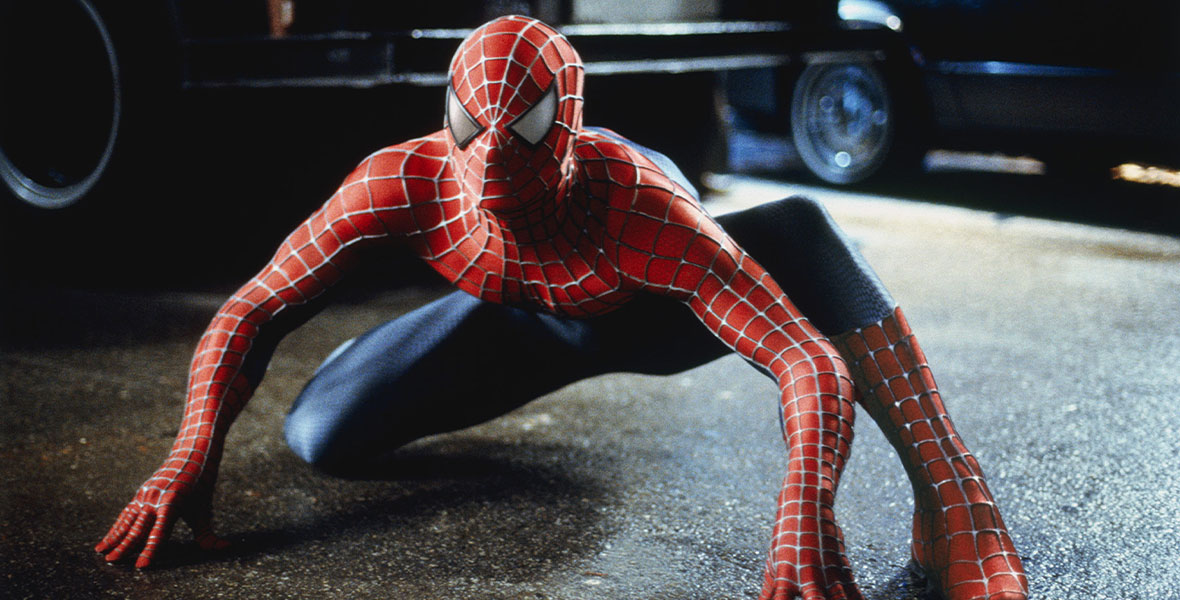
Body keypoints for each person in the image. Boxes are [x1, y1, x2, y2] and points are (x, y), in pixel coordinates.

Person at [96, 15, 1027, 600]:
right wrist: (191, 448)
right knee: (321, 436)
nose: (494, 158)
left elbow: (804, 357)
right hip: (514, 321)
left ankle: (956, 503)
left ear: (569, 130)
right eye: (474, 130)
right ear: (446, 119)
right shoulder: (403, 180)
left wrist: (800, 505)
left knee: (800, 229)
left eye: (527, 131)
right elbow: (254, 307)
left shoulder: (640, 206)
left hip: (652, 309)